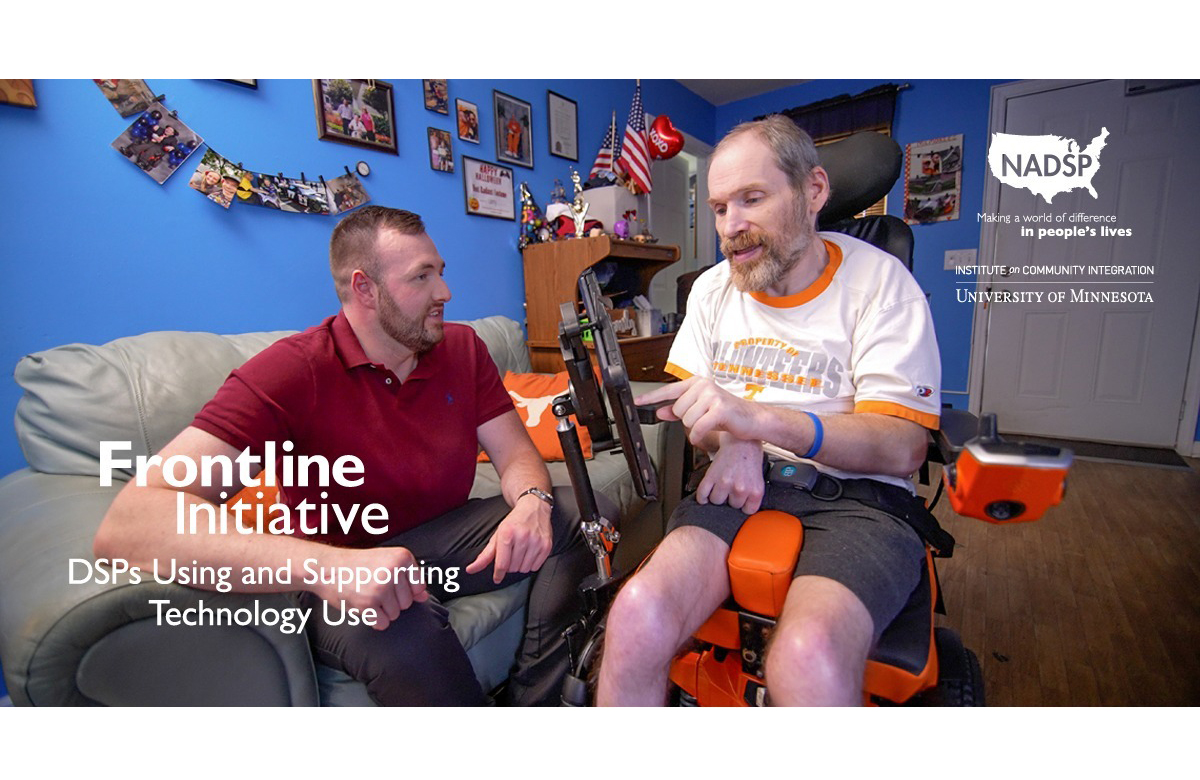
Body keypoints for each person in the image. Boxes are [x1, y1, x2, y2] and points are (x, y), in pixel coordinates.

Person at [94, 206, 595, 706]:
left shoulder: (462, 349)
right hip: (331, 566)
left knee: (577, 513)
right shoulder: (292, 373)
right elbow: (130, 523)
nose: (445, 293)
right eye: (421, 277)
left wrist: (531, 500)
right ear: (365, 289)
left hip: (434, 541)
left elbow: (516, 455)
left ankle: (539, 707)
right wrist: (328, 568)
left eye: (440, 272)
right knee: (403, 630)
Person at [597, 115, 942, 706]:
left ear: (813, 192)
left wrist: (758, 424)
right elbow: (698, 409)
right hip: (737, 486)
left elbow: (904, 444)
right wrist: (733, 443)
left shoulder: (880, 284)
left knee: (807, 659)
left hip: (858, 501)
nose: (732, 227)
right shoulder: (712, 290)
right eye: (720, 207)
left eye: (752, 199)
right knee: (635, 616)